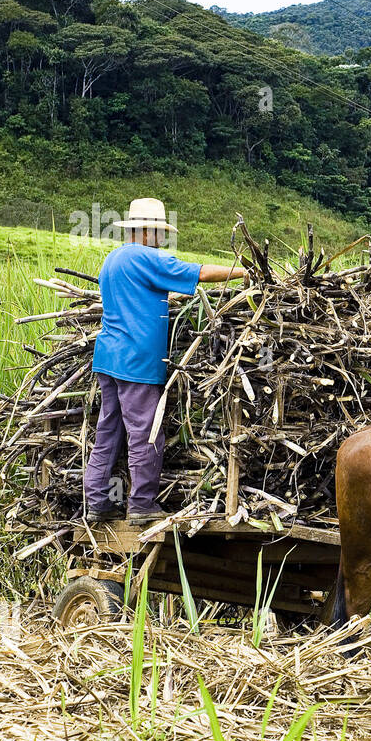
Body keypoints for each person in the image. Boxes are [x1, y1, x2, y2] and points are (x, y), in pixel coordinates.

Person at [82, 198, 247, 524]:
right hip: (136, 362)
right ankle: (142, 505)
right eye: (157, 231)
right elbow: (197, 272)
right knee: (146, 432)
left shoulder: (113, 259)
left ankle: (97, 501)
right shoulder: (146, 257)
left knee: (109, 431)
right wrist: (243, 271)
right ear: (146, 230)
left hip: (108, 357)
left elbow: (139, 296)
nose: (160, 238)